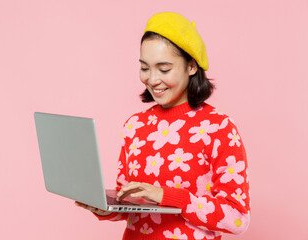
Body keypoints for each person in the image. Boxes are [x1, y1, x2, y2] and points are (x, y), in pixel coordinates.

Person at [75, 12, 250, 240]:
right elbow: (131, 207)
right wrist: (107, 209)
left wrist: (168, 196)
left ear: (191, 67)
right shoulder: (134, 126)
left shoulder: (219, 127)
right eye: (145, 68)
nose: (153, 79)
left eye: (164, 69)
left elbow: (237, 218)